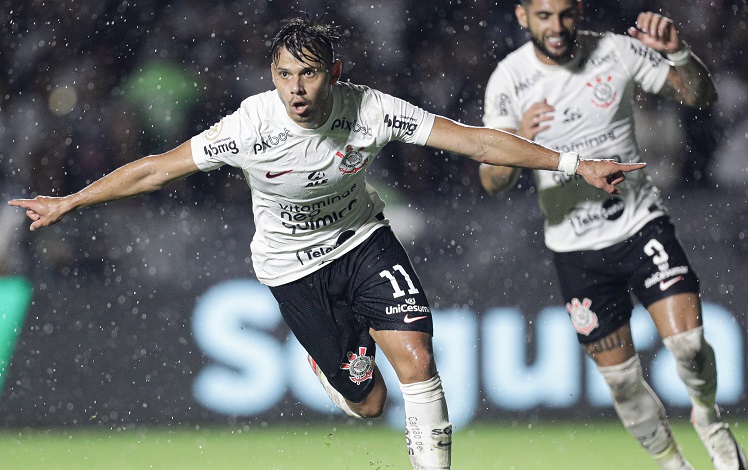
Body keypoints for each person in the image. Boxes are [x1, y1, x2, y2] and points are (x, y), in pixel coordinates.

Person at [8, 17, 642, 470]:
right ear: (273, 77)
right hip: (290, 267)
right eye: (285, 76)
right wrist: (71, 201)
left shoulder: (369, 109)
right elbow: (155, 168)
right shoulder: (250, 127)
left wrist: (571, 163)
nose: (297, 91)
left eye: (308, 75)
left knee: (418, 359)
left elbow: (475, 140)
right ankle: (333, 367)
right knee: (367, 403)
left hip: (364, 240)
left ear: (332, 74)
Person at [478, 2, 746, 469]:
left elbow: (700, 96)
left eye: (564, 13)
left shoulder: (616, 51)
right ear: (523, 17)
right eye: (544, 16)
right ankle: (672, 463)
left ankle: (707, 417)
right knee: (622, 381)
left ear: (577, 10)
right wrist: (518, 140)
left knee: (688, 345)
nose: (556, 26)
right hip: (576, 250)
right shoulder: (508, 80)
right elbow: (490, 181)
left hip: (639, 223)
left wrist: (680, 56)